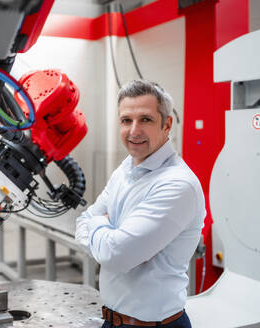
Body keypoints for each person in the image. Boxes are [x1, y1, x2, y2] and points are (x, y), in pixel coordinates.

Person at [75, 80, 205, 328]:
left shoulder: (177, 184)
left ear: (166, 124)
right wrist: (108, 236)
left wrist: (103, 233)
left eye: (145, 119)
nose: (134, 130)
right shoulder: (126, 169)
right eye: (126, 120)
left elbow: (117, 256)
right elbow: (84, 220)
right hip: (112, 321)